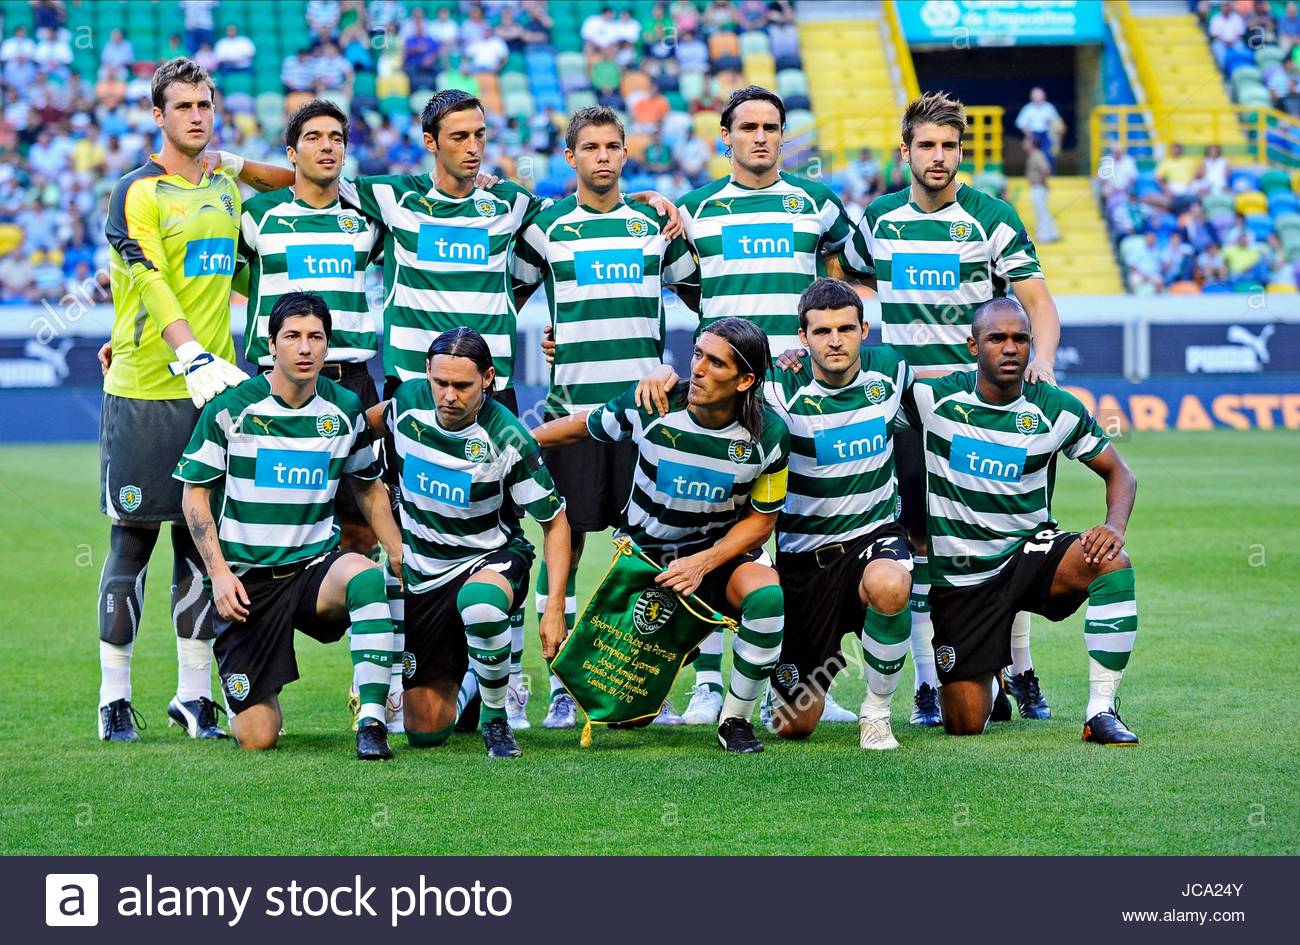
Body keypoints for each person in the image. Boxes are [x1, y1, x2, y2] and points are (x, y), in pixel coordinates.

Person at [841, 91, 1063, 727]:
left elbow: (1037, 302)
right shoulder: (879, 219)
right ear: (905, 151)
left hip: (984, 410)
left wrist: (1041, 357)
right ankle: (926, 684)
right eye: (927, 146)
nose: (939, 157)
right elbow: (846, 277)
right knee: (915, 542)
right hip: (908, 412)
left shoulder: (991, 215)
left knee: (1006, 537)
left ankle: (1020, 670)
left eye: (950, 146)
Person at [96, 58, 286, 743]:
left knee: (201, 548)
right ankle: (114, 697)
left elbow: (245, 263)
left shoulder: (227, 187)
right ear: (158, 115)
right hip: (149, 390)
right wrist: (186, 350)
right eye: (182, 107)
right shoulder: (134, 192)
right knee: (131, 545)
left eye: (205, 105)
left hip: (214, 393)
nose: (196, 116)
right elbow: (149, 280)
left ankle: (193, 694)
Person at [639, 279, 915, 748]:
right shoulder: (774, 387)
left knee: (891, 585)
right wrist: (665, 378)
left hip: (874, 538)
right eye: (822, 331)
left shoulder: (891, 371)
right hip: (804, 560)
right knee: (794, 725)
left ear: (864, 330)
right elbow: (717, 388)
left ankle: (877, 712)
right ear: (801, 338)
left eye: (846, 328)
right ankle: (777, 686)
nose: (835, 340)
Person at [673, 87, 860, 724]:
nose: (760, 136)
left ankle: (807, 685)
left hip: (802, 394)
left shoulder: (818, 204)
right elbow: (671, 285)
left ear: (784, 137)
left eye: (772, 127)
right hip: (726, 395)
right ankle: (703, 683)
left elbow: (847, 283)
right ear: (724, 136)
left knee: (804, 531)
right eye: (747, 126)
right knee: (711, 527)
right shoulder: (694, 212)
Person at [512, 107, 700, 730]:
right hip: (573, 416)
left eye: (613, 146)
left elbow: (705, 296)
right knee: (564, 540)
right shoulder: (544, 227)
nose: (602, 157)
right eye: (589, 147)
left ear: (626, 153)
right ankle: (564, 684)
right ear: (570, 157)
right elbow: (501, 298)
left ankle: (648, 684)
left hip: (647, 418)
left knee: (652, 549)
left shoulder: (654, 222)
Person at [534, 318, 790, 753]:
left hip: (718, 557)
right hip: (649, 565)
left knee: (767, 598)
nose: (699, 370)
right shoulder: (654, 403)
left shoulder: (770, 434)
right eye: (697, 355)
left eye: (715, 363)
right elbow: (580, 426)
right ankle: (674, 649)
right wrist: (515, 448)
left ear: (745, 379)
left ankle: (735, 721)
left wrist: (702, 563)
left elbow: (762, 521)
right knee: (625, 714)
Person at [901, 299, 1140, 744]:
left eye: (1020, 339)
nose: (1010, 348)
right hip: (962, 578)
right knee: (965, 724)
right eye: (997, 338)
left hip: (1029, 553)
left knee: (1111, 562)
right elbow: (859, 394)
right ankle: (992, 679)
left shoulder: (1056, 408)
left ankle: (1101, 710)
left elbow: (1120, 473)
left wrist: (1114, 527)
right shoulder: (933, 399)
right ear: (974, 346)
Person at [175, 294, 400, 760]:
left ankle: (372, 719)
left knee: (367, 576)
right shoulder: (231, 408)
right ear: (271, 344)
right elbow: (194, 494)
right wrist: (218, 573)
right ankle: (262, 682)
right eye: (293, 337)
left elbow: (369, 487)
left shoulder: (344, 410)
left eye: (315, 337)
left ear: (327, 345)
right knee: (259, 737)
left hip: (312, 571)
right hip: (247, 585)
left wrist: (398, 552)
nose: (305, 348)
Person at [367, 328, 571, 759]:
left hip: (489, 558)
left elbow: (555, 523)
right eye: (440, 383)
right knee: (422, 731)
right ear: (427, 374)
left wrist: (553, 607)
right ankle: (478, 677)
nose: (449, 396)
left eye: (463, 385)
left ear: (488, 379)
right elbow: (358, 426)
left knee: (480, 606)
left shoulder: (509, 437)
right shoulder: (405, 402)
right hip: (424, 576)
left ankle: (495, 721)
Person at [1024, 135, 1060, 244]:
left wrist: (1044, 181)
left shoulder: (1037, 155)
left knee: (1041, 211)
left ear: (1032, 144)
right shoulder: (1035, 155)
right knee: (1043, 211)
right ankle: (1053, 233)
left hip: (1038, 186)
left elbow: (1046, 169)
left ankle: (1044, 236)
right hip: (1038, 186)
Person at [1014, 87, 1061, 167]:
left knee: (1049, 154)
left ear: (1044, 96)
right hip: (1033, 134)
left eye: (1040, 95)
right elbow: (1020, 123)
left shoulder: (1049, 107)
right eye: (1036, 95)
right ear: (1031, 97)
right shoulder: (1027, 108)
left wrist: (1051, 123)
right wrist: (1029, 135)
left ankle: (1050, 174)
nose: (1038, 97)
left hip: (1047, 134)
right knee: (1034, 155)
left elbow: (1057, 123)